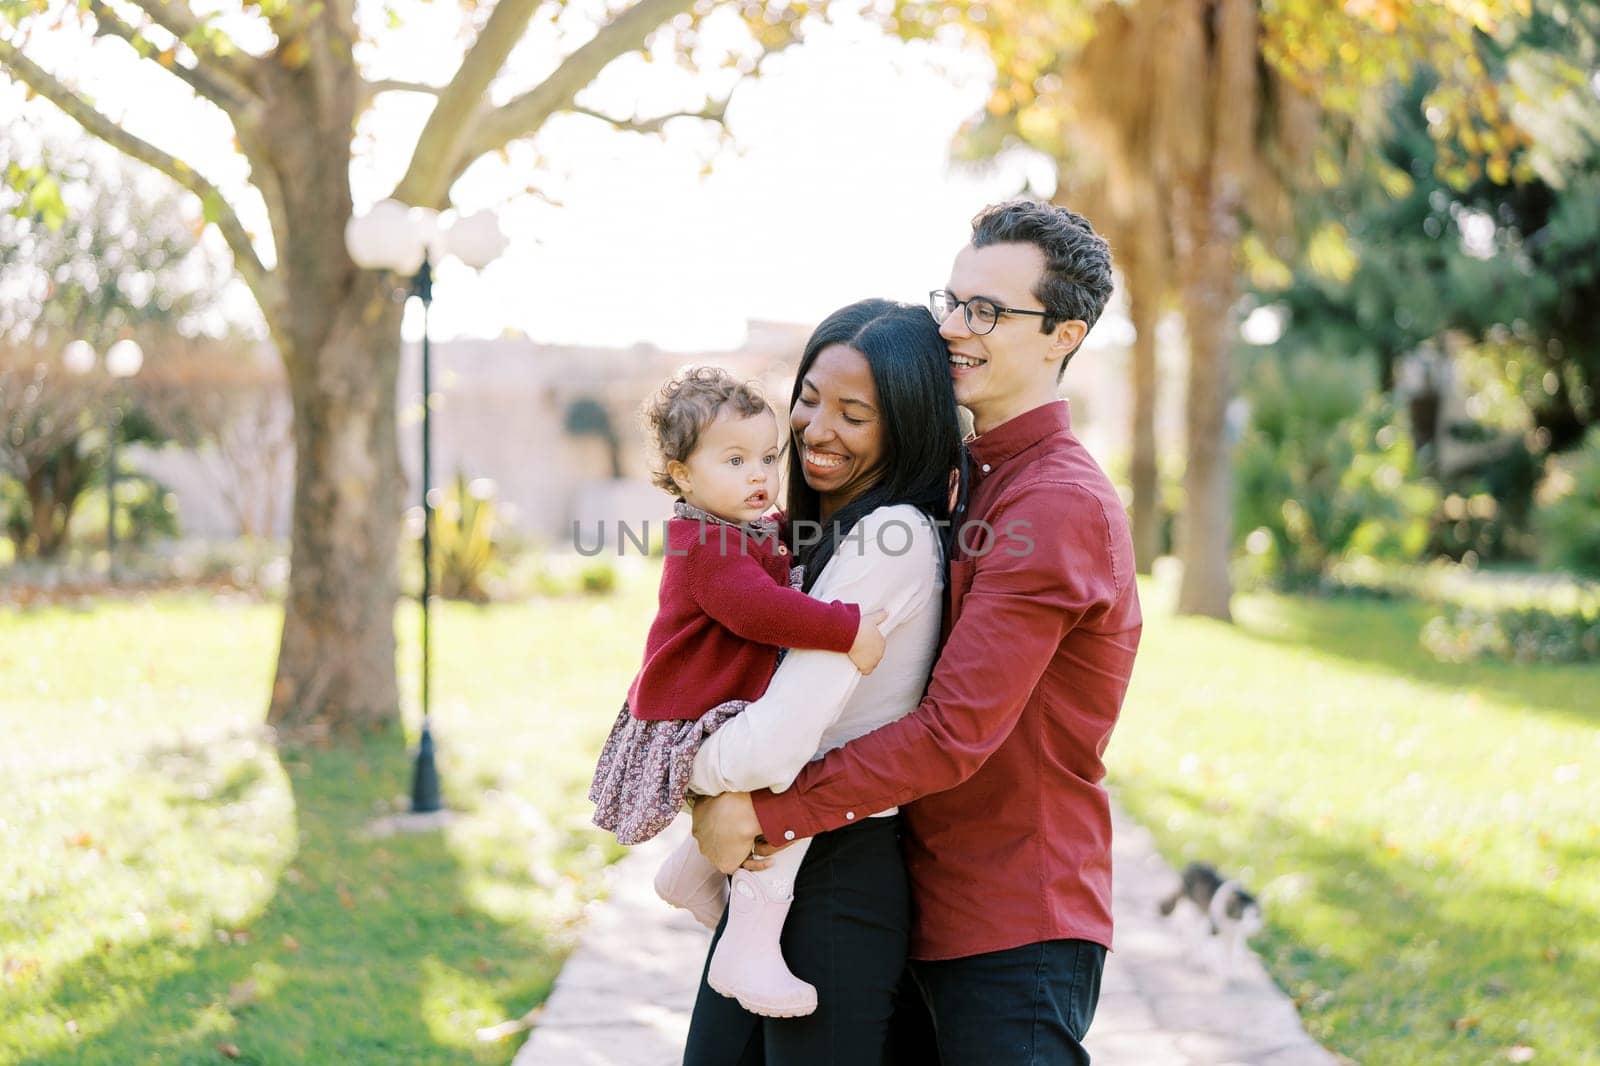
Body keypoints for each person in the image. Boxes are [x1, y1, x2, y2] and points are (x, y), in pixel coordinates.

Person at [692, 199, 1143, 1065]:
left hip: (1011, 921)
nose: (952, 329)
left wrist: (764, 813)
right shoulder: (962, 483)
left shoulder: (1054, 503)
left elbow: (952, 732)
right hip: (912, 896)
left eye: (986, 312)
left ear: (1064, 336)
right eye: (951, 301)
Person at [681, 298, 963, 1064]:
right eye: (808, 398)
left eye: (854, 414)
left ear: (904, 425)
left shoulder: (891, 535)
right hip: (774, 868)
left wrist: (682, 767)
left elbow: (774, 743)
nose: (816, 427)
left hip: (835, 873)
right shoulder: (805, 535)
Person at [587, 365, 889, 1018]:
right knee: (792, 781)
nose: (759, 473)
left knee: (790, 763)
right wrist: (848, 628)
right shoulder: (705, 544)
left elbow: (782, 567)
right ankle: (748, 945)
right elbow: (758, 610)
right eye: (734, 459)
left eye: (767, 456)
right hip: (690, 709)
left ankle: (693, 871)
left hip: (713, 698)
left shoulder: (742, 527)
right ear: (683, 474)